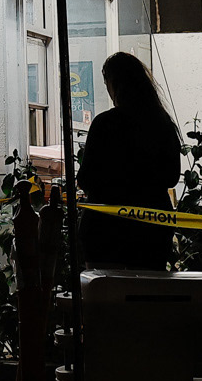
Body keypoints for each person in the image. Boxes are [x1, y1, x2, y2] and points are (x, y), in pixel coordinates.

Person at [76, 51, 182, 270]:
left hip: (105, 230)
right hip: (151, 229)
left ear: (113, 83)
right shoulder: (162, 124)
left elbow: (86, 179)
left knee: (106, 289)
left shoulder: (105, 124)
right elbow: (171, 177)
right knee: (147, 289)